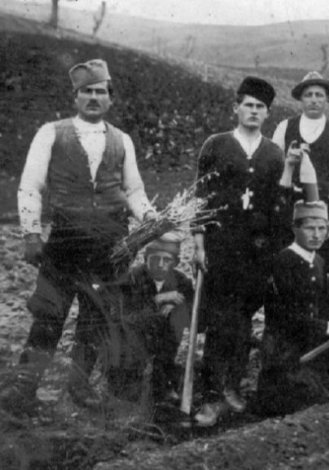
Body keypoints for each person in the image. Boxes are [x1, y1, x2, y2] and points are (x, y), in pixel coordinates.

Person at [2, 59, 156, 413]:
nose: (93, 97)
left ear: (110, 98)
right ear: (75, 96)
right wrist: (31, 233)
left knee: (96, 315)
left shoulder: (122, 140)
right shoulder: (51, 133)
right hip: (64, 242)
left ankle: (79, 384)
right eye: (87, 91)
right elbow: (30, 186)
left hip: (110, 245)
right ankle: (25, 386)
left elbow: (134, 190)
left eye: (100, 91)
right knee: (49, 314)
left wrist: (150, 218)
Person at [192, 76, 289, 426]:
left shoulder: (274, 154)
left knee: (244, 320)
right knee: (220, 320)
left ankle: (232, 385)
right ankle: (210, 394)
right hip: (220, 246)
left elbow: (278, 205)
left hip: (256, 251)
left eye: (260, 107)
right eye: (248, 105)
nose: (254, 111)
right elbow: (199, 197)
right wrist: (198, 242)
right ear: (236, 108)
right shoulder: (216, 145)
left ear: (267, 113)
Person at [256, 201, 329, 416]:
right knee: (315, 402)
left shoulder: (320, 261)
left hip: (313, 343)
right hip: (284, 351)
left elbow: (325, 305)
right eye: (310, 228)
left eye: (322, 228)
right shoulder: (283, 262)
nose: (317, 235)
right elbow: (286, 317)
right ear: (295, 229)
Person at [107, 232, 193, 406]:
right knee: (127, 393)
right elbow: (125, 319)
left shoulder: (181, 281)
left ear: (176, 262)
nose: (160, 265)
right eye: (155, 258)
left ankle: (163, 380)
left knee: (176, 318)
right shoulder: (132, 278)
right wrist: (157, 300)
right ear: (146, 258)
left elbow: (194, 318)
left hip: (162, 339)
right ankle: (127, 380)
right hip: (130, 338)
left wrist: (178, 307)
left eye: (167, 260)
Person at [272, 71, 329, 247]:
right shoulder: (284, 127)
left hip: (320, 211)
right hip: (288, 208)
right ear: (301, 99)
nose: (314, 100)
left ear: (327, 99)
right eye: (308, 95)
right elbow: (275, 167)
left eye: (319, 95)